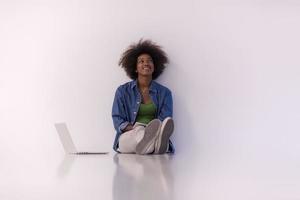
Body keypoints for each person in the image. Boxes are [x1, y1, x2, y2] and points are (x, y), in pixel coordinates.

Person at [112, 39, 175, 154]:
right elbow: (117, 119)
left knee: (158, 133)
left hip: (155, 132)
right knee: (139, 131)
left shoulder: (165, 93)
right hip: (129, 136)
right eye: (141, 61)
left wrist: (154, 130)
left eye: (150, 61)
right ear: (135, 68)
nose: (146, 63)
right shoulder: (122, 91)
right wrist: (137, 129)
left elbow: (166, 120)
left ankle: (152, 144)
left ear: (154, 66)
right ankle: (156, 145)